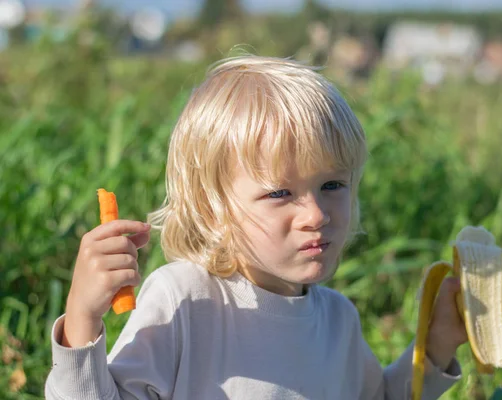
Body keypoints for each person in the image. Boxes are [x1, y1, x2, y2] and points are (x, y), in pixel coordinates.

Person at [45, 55, 467, 399]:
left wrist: (436, 347)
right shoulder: (185, 300)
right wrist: (82, 317)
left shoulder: (338, 321)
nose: (316, 214)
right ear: (213, 209)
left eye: (332, 185)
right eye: (280, 194)